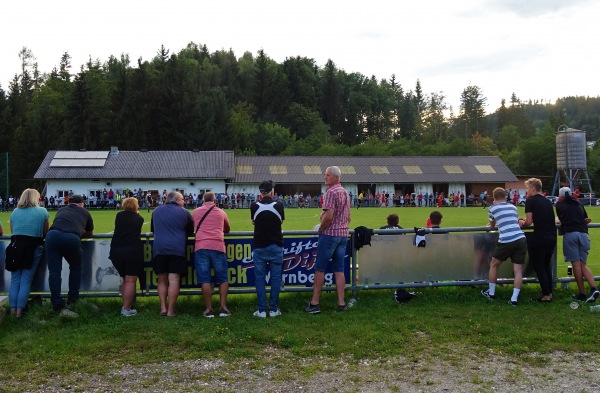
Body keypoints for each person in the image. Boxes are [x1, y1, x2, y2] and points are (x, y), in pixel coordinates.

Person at [306, 166, 351, 313]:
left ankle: (315, 303)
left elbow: (329, 216)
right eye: (325, 175)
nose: (325, 177)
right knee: (339, 270)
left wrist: (321, 228)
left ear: (336, 177)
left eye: (328, 175)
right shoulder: (344, 191)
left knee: (320, 269)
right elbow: (348, 216)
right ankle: (341, 303)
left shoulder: (331, 192)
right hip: (343, 234)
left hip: (330, 234)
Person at [45, 194, 94, 313]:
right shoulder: (85, 212)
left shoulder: (61, 209)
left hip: (51, 236)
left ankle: (56, 302)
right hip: (71, 237)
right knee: (75, 267)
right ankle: (72, 299)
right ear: (82, 204)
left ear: (68, 203)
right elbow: (90, 233)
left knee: (54, 272)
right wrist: (78, 234)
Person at [481, 187, 527, 305]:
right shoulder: (513, 207)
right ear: (505, 196)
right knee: (518, 270)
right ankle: (514, 298)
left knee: (494, 264)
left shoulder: (492, 208)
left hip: (506, 239)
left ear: (494, 198)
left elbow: (492, 225)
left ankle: (491, 293)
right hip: (520, 238)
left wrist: (490, 225)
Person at [151, 191, 193, 317]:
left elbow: (153, 230)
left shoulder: (156, 211)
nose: (184, 202)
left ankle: (163, 308)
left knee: (162, 279)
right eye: (182, 199)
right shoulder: (184, 212)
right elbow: (190, 231)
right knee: (174, 279)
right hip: (177, 249)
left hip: (159, 249)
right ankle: (170, 310)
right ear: (176, 200)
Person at [8, 189, 49, 317]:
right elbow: (45, 232)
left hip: (15, 247)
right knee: (26, 281)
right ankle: (19, 312)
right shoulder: (42, 211)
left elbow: (12, 230)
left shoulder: (15, 212)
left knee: (15, 281)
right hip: (33, 248)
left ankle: (12, 311)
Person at [555, 187, 599, 303]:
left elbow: (561, 219)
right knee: (583, 265)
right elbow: (585, 218)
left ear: (561, 196)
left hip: (571, 234)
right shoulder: (579, 203)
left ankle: (582, 293)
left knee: (576, 265)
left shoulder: (559, 204)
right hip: (584, 234)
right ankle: (594, 288)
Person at [193, 192, 231, 318]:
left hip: (201, 246)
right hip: (218, 246)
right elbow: (227, 229)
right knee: (222, 278)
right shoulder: (221, 212)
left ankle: (209, 309)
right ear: (215, 200)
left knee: (204, 279)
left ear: (203, 200)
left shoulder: (196, 212)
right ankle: (223, 307)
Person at [250, 180, 285, 318]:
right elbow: (280, 221)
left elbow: (253, 221)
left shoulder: (254, 205)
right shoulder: (279, 205)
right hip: (275, 246)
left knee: (260, 279)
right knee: (275, 279)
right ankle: (274, 309)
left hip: (259, 246)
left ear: (261, 192)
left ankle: (262, 310)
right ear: (272, 192)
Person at [519, 178, 556, 302]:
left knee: (539, 266)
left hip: (540, 237)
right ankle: (549, 293)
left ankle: (545, 295)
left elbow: (528, 222)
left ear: (533, 189)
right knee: (546, 266)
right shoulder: (547, 201)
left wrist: (521, 222)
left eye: (527, 188)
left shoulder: (530, 201)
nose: (526, 191)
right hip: (552, 237)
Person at [109, 197, 144, 316]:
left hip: (116, 251)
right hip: (132, 251)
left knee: (125, 279)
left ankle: (125, 305)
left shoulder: (119, 215)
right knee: (131, 280)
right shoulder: (139, 218)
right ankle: (126, 309)